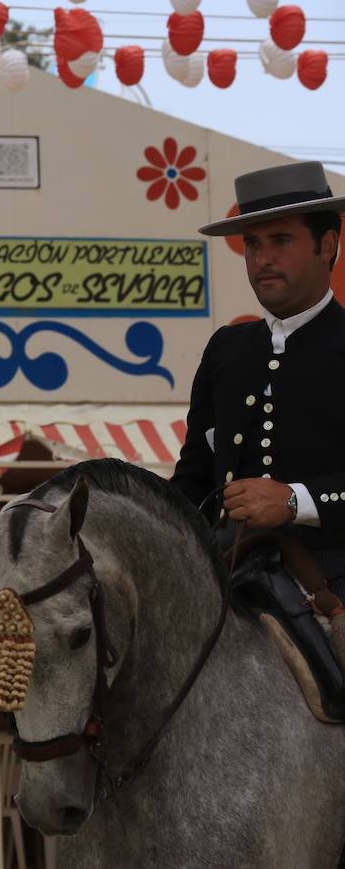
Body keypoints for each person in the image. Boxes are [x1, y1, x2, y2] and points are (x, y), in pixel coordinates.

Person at [171, 160, 345, 598]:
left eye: (281, 240)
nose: (262, 259)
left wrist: (295, 500)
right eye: (252, 244)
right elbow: (192, 479)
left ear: (327, 245)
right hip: (227, 574)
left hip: (336, 572)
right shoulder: (227, 349)